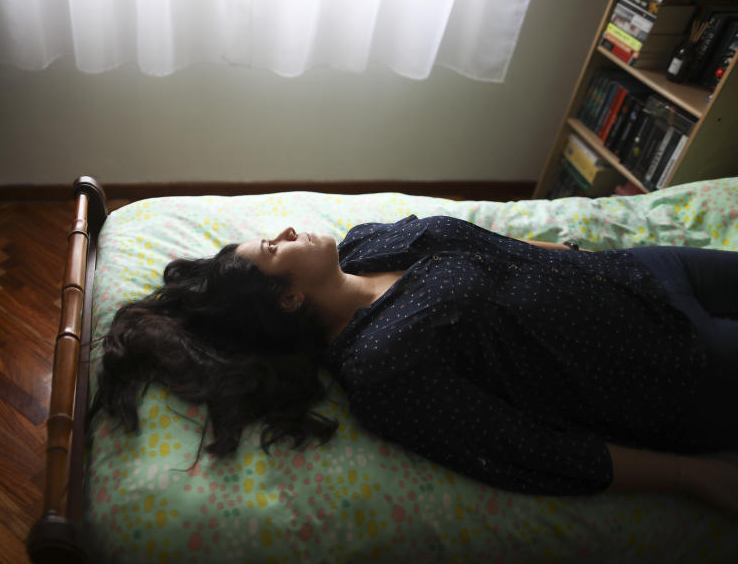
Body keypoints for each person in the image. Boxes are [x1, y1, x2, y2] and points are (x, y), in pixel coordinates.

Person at [95, 214, 738, 516]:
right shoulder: (380, 366)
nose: (287, 231)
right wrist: (690, 476)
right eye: (274, 247)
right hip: (674, 367)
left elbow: (495, 245)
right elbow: (529, 451)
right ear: (288, 298)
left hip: (642, 272)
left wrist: (568, 250)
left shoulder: (366, 243)